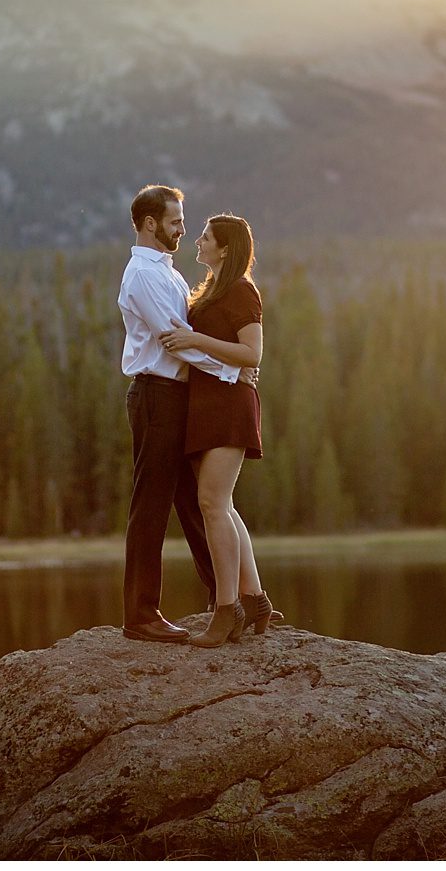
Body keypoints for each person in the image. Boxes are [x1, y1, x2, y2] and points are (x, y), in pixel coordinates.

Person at [116, 184, 252, 643]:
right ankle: (140, 614)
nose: (183, 229)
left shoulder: (168, 272)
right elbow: (177, 340)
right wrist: (233, 370)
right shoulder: (144, 276)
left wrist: (230, 368)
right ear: (151, 224)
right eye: (175, 221)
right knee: (151, 502)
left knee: (198, 501)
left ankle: (226, 600)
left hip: (178, 398)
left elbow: (189, 340)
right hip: (156, 395)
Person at [158, 213, 279, 648]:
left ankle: (227, 611)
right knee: (220, 505)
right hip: (206, 407)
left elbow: (253, 352)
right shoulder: (209, 290)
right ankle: (256, 599)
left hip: (229, 408)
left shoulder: (242, 290)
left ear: (224, 248)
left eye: (206, 236)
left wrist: (195, 341)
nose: (197, 240)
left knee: (212, 502)